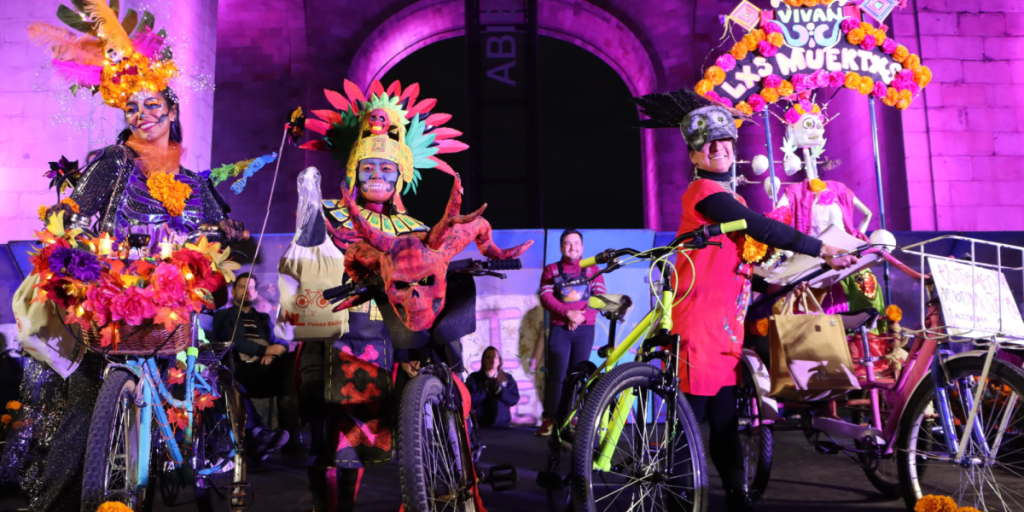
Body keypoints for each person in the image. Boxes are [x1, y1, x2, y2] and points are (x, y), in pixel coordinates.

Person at [10, 6, 240, 511]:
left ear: (172, 110)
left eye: (152, 104)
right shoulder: (115, 160)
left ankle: (212, 451)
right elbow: (80, 201)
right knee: (88, 390)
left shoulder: (195, 181)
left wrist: (229, 230)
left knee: (206, 365)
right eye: (132, 108)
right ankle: (72, 491)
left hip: (175, 291)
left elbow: (224, 224)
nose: (143, 115)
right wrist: (67, 219)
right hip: (117, 285)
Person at [634, 89, 858, 512]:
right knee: (689, 422)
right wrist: (818, 247)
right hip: (697, 322)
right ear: (695, 156)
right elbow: (758, 227)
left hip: (725, 325)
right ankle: (676, 497)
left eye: (726, 141)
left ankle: (737, 494)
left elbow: (745, 254)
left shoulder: (731, 198)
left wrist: (786, 271)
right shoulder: (703, 193)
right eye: (708, 144)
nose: (719, 149)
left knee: (723, 422)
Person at [294, 79, 470, 512]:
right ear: (354, 171)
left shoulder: (415, 229)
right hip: (351, 336)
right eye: (368, 168)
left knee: (449, 393)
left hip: (406, 336)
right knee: (348, 435)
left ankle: (450, 483)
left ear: (400, 176)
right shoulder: (330, 215)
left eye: (385, 169)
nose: (376, 176)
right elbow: (306, 269)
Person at [212, 273, 292, 460]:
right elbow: (231, 340)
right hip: (239, 369)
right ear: (234, 291)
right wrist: (263, 351)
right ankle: (258, 434)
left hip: (263, 370)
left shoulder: (263, 318)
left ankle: (290, 436)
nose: (247, 291)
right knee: (233, 383)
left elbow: (281, 342)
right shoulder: (223, 316)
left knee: (291, 361)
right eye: (242, 286)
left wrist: (274, 354)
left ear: (255, 293)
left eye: (251, 287)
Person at [535, 229, 606, 436]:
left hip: (584, 330)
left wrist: (580, 316)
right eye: (567, 243)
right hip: (560, 329)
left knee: (578, 375)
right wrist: (568, 314)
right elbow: (546, 297)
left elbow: (600, 297)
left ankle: (572, 418)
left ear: (582, 247)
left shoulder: (593, 269)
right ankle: (550, 419)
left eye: (576, 243)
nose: (572, 247)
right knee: (556, 374)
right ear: (561, 247)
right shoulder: (551, 270)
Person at [466, 347, 521, 428]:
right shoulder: (474, 378)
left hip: (503, 426)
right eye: (488, 357)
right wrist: (485, 389)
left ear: (499, 361)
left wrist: (499, 391)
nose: (492, 359)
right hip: (481, 426)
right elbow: (469, 400)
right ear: (483, 361)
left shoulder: (507, 378)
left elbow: (514, 399)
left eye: (495, 356)